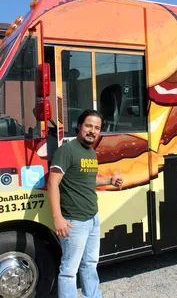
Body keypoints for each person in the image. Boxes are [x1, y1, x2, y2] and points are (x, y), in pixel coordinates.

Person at [48, 109, 123, 298]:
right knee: (69, 271)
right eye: (89, 125)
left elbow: (87, 180)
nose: (92, 131)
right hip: (74, 221)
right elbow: (53, 183)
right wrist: (57, 217)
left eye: (97, 128)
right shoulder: (67, 150)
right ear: (80, 126)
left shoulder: (90, 152)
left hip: (92, 219)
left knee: (90, 264)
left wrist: (109, 181)